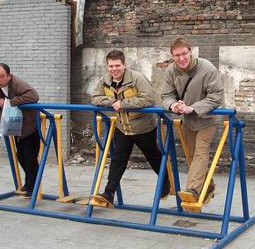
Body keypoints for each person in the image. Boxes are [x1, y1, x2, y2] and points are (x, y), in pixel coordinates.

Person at [90, 50, 170, 207]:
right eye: (111, 66)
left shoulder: (136, 78)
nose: (114, 69)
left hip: (143, 126)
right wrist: (111, 102)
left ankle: (166, 181)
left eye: (117, 65)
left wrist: (124, 104)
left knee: (153, 157)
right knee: (118, 159)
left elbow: (148, 99)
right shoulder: (105, 80)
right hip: (122, 127)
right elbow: (95, 98)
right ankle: (109, 193)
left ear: (124, 65)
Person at [161, 37, 223, 204]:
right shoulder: (170, 71)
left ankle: (192, 191)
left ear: (190, 51)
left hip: (207, 118)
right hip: (188, 120)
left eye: (184, 54)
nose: (181, 58)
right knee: (191, 155)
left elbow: (216, 97)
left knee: (200, 154)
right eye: (177, 55)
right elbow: (165, 95)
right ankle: (208, 186)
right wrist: (173, 105)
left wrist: (193, 108)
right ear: (172, 56)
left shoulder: (207, 68)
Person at [0, 63, 40, 197]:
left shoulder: (17, 83)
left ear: (9, 76)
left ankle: (32, 188)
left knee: (29, 157)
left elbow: (34, 96)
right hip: (15, 124)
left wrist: (10, 102)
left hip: (29, 125)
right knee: (20, 156)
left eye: (2, 76)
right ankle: (30, 184)